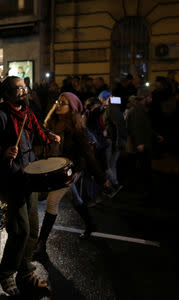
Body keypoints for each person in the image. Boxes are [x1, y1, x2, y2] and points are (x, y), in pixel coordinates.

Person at [0, 76, 60, 296]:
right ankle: (6, 272)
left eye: (24, 88)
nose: (23, 91)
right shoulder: (0, 115)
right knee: (20, 230)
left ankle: (25, 271)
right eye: (18, 89)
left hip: (29, 176)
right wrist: (3, 151)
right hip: (12, 178)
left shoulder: (27, 113)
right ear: (8, 93)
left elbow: (38, 132)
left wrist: (50, 138)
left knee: (33, 231)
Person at [33, 92, 110, 263]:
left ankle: (41, 243)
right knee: (74, 198)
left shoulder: (77, 128)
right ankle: (90, 224)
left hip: (70, 171)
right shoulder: (51, 122)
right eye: (58, 101)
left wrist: (101, 177)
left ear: (73, 108)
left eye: (63, 103)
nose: (58, 105)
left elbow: (88, 155)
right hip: (54, 169)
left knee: (52, 201)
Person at [98, 90, 127, 197]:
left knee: (108, 165)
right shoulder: (112, 107)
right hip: (114, 140)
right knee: (111, 164)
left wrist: (119, 141)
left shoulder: (112, 109)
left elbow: (119, 125)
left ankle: (115, 185)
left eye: (102, 100)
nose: (101, 102)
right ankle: (113, 186)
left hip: (113, 140)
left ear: (108, 98)